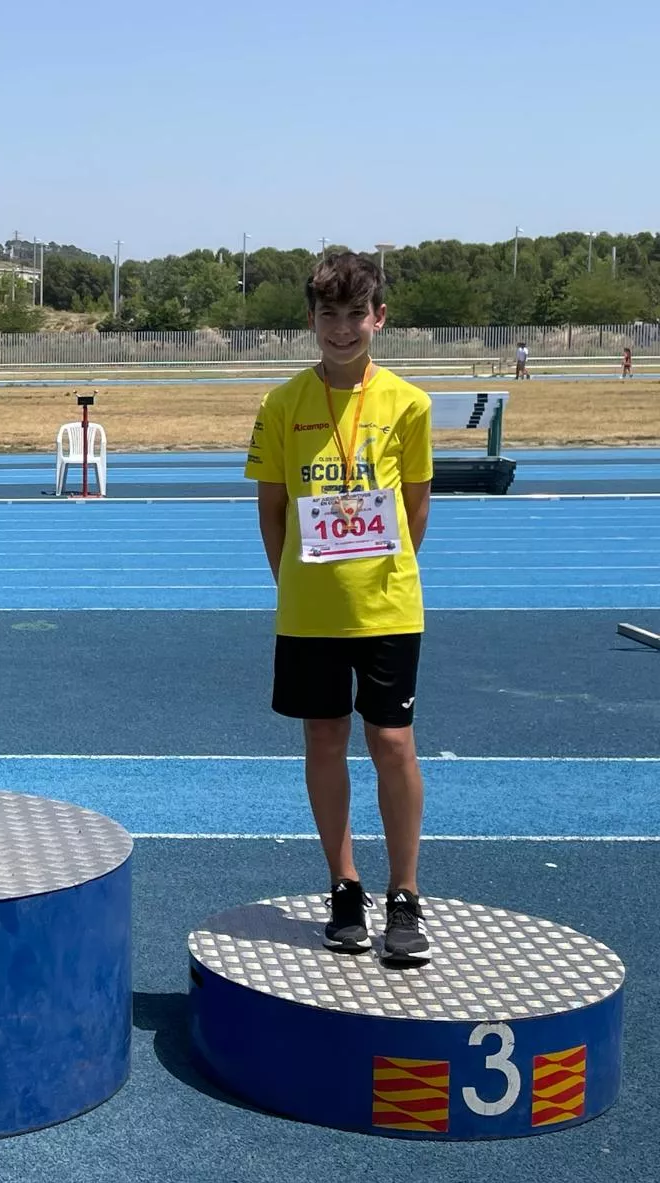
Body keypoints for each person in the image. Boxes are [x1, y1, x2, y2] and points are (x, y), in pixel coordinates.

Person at [244, 251, 434, 965]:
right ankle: (345, 884)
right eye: (330, 316)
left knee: (392, 744)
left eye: (357, 315)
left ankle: (406, 893)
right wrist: (295, 580)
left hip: (387, 607)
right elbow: (272, 512)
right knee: (324, 741)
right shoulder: (282, 403)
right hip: (309, 612)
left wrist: (377, 573)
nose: (344, 329)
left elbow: (415, 510)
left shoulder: (407, 404)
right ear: (312, 320)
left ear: (379, 317)